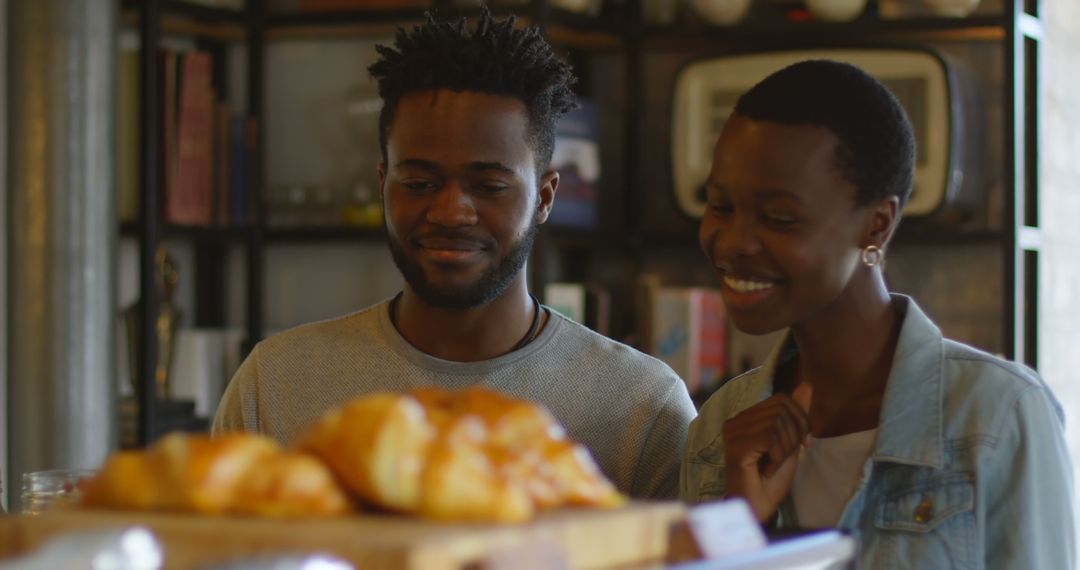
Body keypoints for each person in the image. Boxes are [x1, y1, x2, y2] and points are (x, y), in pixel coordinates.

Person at [213, 9, 696, 500]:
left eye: (488, 186)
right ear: (383, 185)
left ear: (546, 197)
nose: (450, 212)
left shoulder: (642, 408)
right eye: (420, 183)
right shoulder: (276, 385)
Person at [679, 60, 1074, 567]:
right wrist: (743, 531)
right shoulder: (720, 427)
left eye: (778, 217)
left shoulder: (998, 415)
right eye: (719, 206)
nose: (732, 241)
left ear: (877, 225)